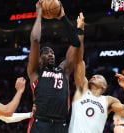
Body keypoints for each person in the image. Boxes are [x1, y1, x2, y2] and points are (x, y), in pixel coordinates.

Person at [68, 13, 124, 133]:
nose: (94, 76)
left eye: (98, 76)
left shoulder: (109, 101)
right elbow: (78, 61)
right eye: (93, 76)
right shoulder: (83, 89)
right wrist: (80, 31)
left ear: (104, 86)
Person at [27, 1, 84, 133]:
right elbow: (35, 40)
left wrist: (63, 18)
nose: (50, 54)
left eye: (52, 52)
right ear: (39, 59)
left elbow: (76, 44)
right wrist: (39, 15)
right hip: (40, 122)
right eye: (46, 53)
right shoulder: (35, 71)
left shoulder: (63, 70)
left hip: (61, 124)